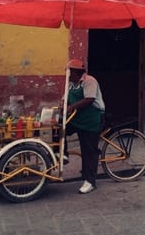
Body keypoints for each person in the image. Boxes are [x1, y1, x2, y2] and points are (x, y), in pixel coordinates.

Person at [63, 59, 105, 194]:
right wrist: (61, 106)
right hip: (77, 118)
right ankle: (63, 154)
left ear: (76, 72)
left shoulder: (89, 81)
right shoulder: (71, 85)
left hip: (91, 119)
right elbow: (64, 99)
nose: (68, 75)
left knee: (89, 151)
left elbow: (89, 99)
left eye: (70, 72)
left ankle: (90, 181)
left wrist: (70, 107)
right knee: (59, 129)